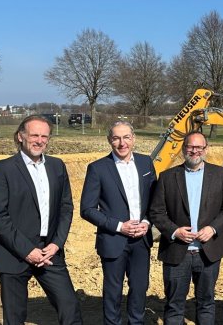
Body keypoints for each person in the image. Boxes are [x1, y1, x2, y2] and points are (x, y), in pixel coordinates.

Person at [0, 115, 83, 324]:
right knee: (15, 317)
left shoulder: (57, 166)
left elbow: (66, 207)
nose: (39, 140)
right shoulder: (3, 169)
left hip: (50, 252)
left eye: (44, 136)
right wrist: (27, 250)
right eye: (34, 135)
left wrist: (57, 243)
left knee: (70, 307)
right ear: (21, 136)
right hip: (14, 253)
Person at [148, 132, 223, 325]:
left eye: (199, 147)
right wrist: (174, 231)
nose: (194, 151)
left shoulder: (221, 175)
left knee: (206, 303)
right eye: (190, 147)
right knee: (174, 305)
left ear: (206, 149)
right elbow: (156, 212)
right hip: (176, 252)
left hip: (208, 252)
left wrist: (213, 228)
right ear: (183, 148)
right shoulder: (167, 177)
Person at [80, 121, 156, 325]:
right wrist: (119, 226)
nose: (122, 143)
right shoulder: (97, 168)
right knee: (113, 292)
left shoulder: (146, 163)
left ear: (134, 139)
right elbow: (87, 209)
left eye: (126, 137)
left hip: (141, 240)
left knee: (140, 288)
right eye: (116, 138)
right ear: (109, 140)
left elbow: (154, 201)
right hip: (113, 239)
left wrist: (147, 222)